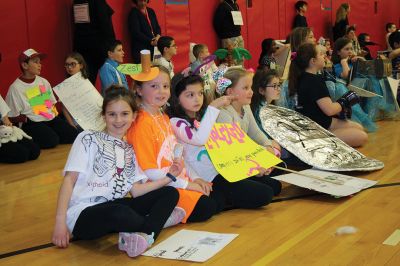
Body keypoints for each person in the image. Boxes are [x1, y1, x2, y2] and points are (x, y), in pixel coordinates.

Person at [51, 85, 180, 257]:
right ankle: (155, 225)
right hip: (84, 214)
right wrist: (60, 223)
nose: (118, 120)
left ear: (134, 116)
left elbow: (136, 190)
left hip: (115, 205)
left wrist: (169, 177)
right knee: (120, 212)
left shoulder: (130, 150)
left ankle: (145, 232)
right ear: (104, 116)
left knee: (170, 193)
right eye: (112, 114)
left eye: (125, 114)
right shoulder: (87, 138)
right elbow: (69, 180)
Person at [167, 73, 276, 210]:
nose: (197, 99)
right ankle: (226, 197)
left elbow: (227, 148)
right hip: (209, 176)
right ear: (177, 99)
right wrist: (213, 106)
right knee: (265, 194)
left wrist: (251, 166)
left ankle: (226, 197)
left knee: (274, 186)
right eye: (190, 95)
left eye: (200, 93)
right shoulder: (176, 122)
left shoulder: (202, 118)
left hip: (223, 169)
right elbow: (199, 139)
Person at [127, 66, 220, 223]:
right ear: (139, 90)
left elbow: (178, 158)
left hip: (175, 180)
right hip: (158, 186)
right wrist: (188, 185)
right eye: (154, 86)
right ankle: (155, 218)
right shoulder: (140, 123)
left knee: (214, 199)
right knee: (208, 206)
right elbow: (150, 171)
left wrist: (196, 179)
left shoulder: (163, 117)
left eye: (165, 86)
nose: (162, 91)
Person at [215, 67, 283, 195]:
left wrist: (268, 147)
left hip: (244, 159)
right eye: (245, 88)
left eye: (250, 88)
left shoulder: (245, 106)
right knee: (267, 193)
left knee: (277, 182)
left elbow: (255, 133)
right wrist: (257, 163)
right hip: (232, 165)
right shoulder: (223, 114)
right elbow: (234, 150)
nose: (251, 92)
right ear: (230, 92)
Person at [288, 43, 367, 147]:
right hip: (317, 128)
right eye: (321, 54)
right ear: (313, 61)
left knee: (359, 128)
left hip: (320, 122)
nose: (324, 56)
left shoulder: (304, 77)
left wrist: (342, 107)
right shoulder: (313, 80)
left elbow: (323, 107)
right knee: (362, 136)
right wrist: (345, 100)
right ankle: (320, 142)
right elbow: (330, 110)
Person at [6, 48, 78, 149]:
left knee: (73, 135)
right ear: (25, 65)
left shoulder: (43, 82)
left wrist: (53, 117)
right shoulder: (15, 88)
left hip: (48, 117)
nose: (40, 65)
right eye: (35, 62)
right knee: (52, 141)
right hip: (32, 122)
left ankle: (50, 132)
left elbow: (50, 104)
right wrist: (29, 118)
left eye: (40, 62)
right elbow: (12, 116)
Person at [72, 0, 116, 84]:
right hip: (97, 46)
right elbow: (105, 24)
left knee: (85, 78)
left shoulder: (77, 1)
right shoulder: (98, 2)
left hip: (81, 46)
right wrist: (112, 45)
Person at [0, 95, 40, 163]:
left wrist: (8, 126)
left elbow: (4, 116)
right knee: (22, 155)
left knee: (34, 151)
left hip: (2, 130)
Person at [61, 52, 89, 131]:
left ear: (81, 65)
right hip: (77, 124)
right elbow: (64, 108)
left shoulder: (86, 82)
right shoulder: (65, 85)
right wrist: (72, 125)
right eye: (67, 65)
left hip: (90, 121)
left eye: (73, 64)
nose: (69, 67)